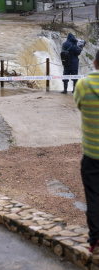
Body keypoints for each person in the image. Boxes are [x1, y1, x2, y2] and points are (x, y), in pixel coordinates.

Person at [74, 50, 99, 256]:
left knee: (93, 198)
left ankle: (94, 239)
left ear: (94, 62)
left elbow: (79, 104)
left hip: (91, 154)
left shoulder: (82, 85)